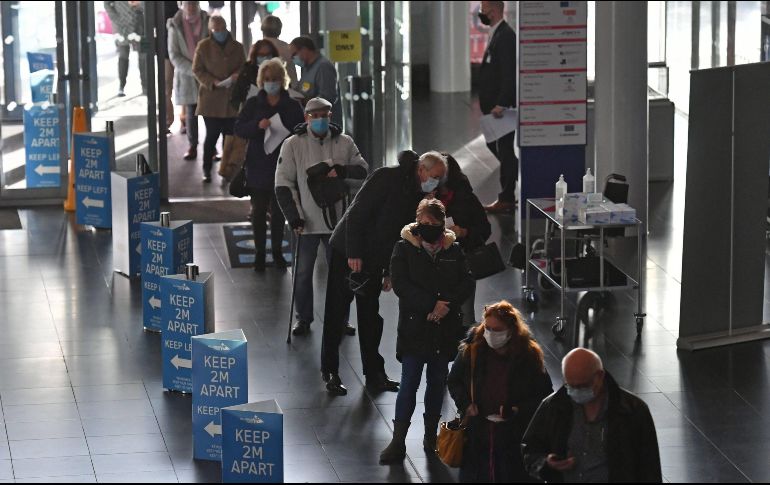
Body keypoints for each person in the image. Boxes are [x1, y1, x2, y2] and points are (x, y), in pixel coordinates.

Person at [321, 151, 449, 396]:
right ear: (421, 169)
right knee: (336, 312)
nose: (436, 183)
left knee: (370, 316)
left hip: (375, 258)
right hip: (347, 250)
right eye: (434, 177)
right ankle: (331, 371)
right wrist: (354, 253)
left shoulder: (418, 194)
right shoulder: (386, 178)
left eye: (439, 179)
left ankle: (374, 373)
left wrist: (390, 271)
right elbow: (356, 215)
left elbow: (399, 235)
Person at [379, 198, 474, 464]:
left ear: (443, 225)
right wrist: (431, 304)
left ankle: (431, 437)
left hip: (444, 330)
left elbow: (466, 281)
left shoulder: (454, 249)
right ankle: (398, 442)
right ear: (416, 222)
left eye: (434, 223)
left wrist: (445, 305)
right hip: (414, 328)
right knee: (408, 383)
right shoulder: (403, 248)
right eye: (424, 222)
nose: (429, 227)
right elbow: (401, 285)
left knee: (436, 383)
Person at [274, 97, 368, 338]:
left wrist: (342, 170)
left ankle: (341, 318)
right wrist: (294, 217)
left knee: (341, 274)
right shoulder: (292, 144)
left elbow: (363, 171)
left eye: (324, 115)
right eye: (315, 116)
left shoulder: (344, 142)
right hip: (305, 223)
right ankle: (303, 319)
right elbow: (283, 184)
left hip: (337, 222)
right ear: (306, 118)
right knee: (303, 273)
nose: (320, 120)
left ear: (330, 115)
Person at [446, 301, 553, 483]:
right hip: (477, 435)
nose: (491, 334)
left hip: (514, 438)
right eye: (487, 328)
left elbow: (544, 395)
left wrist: (518, 410)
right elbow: (454, 380)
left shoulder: (529, 356)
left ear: (511, 330)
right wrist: (465, 404)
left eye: (497, 329)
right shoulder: (472, 351)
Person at [521, 348, 662, 483]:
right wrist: (547, 463)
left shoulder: (632, 411)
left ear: (600, 376)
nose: (576, 391)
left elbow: (649, 469)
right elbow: (530, 449)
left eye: (582, 386)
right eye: (570, 386)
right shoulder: (553, 406)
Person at [234, 59, 304, 272]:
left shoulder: (292, 106)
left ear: (282, 81)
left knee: (279, 213)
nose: (271, 83)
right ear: (261, 81)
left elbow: (300, 132)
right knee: (258, 212)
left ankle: (277, 252)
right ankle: (259, 253)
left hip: (283, 166)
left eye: (274, 79)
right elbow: (239, 128)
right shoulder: (253, 104)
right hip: (258, 165)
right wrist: (258, 125)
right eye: (267, 80)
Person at [434, 153, 491, 326]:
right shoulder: (426, 197)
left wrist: (464, 232)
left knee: (464, 315)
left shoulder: (466, 198)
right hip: (433, 263)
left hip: (461, 263)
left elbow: (484, 229)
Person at [192, 16, 245, 183]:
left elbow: (244, 65)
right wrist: (212, 81)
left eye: (222, 29)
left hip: (231, 100)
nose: (219, 33)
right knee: (211, 136)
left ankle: (226, 169)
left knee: (229, 137)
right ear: (210, 30)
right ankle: (207, 169)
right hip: (211, 100)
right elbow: (197, 70)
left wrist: (238, 75)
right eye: (215, 30)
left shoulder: (237, 47)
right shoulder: (203, 46)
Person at [477, 1, 518, 213]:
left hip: (500, 109)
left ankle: (507, 196)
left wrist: (502, 102)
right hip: (493, 107)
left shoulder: (506, 36)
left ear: (492, 11)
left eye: (483, 10)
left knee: (504, 149)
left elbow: (509, 73)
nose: (480, 14)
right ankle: (510, 179)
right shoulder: (497, 33)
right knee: (497, 146)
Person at [168, 1, 209, 161]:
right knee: (191, 112)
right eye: (187, 4)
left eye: (193, 3)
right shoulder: (175, 24)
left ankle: (211, 147)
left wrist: (204, 69)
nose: (191, 7)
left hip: (207, 73)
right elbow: (174, 54)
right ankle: (193, 145)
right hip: (187, 75)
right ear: (182, 5)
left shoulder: (207, 20)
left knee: (210, 112)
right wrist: (194, 70)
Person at [289, 36, 343, 127]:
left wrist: (305, 101)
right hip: (311, 121)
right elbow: (302, 89)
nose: (293, 59)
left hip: (324, 123)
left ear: (304, 50)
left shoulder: (323, 67)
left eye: (294, 55)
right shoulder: (307, 69)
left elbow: (327, 97)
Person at [104, 0, 146, 97]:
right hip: (121, 27)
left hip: (142, 24)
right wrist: (116, 19)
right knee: (123, 56)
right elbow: (107, 4)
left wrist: (140, 4)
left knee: (144, 56)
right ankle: (121, 86)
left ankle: (146, 87)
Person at [231, 40, 279, 111]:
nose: (265, 58)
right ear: (255, 56)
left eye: (268, 55)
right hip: (252, 113)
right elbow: (236, 98)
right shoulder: (246, 72)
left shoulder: (280, 70)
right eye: (261, 55)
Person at [261, 15, 298, 85]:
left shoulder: (256, 47)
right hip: (286, 89)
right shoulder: (287, 47)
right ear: (279, 30)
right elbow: (292, 76)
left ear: (262, 29)